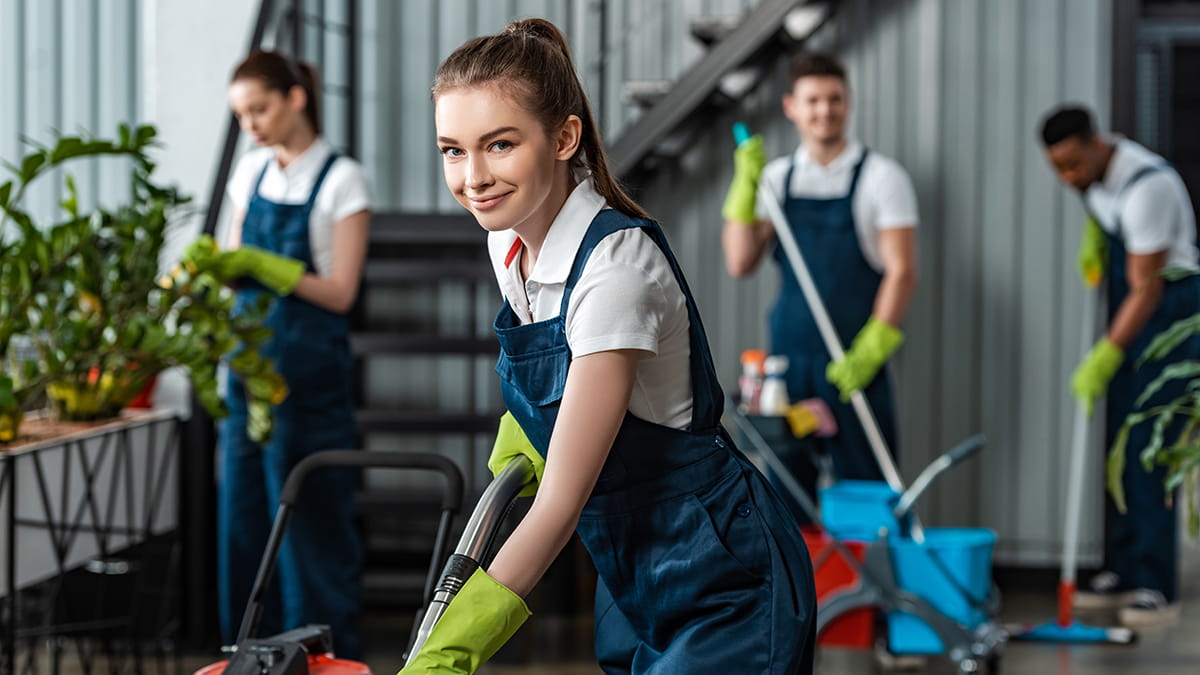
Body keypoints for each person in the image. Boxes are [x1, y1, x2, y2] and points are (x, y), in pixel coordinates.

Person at [402, 18, 816, 675]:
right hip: (630, 570)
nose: (473, 176)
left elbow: (559, 506)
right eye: (453, 150)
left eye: (500, 144)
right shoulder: (508, 239)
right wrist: (530, 427)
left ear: (564, 138)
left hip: (723, 576)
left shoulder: (615, 273)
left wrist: (449, 651)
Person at [185, 50, 372, 657]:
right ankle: (248, 654)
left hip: (309, 378)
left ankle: (320, 655)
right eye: (241, 115)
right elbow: (234, 268)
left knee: (311, 518)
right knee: (245, 516)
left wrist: (269, 266)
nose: (251, 126)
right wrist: (213, 269)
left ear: (295, 98)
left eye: (259, 109)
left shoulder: (343, 180)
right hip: (247, 374)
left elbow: (341, 292)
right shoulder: (250, 174)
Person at [720, 53, 918, 492]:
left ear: (848, 102)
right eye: (813, 100)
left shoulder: (882, 179)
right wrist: (744, 189)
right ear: (792, 107)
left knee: (867, 490)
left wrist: (873, 347)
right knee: (789, 491)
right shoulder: (777, 179)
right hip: (788, 364)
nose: (824, 110)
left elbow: (902, 270)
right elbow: (740, 262)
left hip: (853, 360)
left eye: (834, 99)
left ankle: (866, 546)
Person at [1040, 104, 1198, 627]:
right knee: (1118, 449)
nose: (1067, 177)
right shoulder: (1094, 182)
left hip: (1168, 317)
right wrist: (1096, 241)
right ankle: (1125, 569)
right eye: (1057, 168)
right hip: (1134, 313)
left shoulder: (1146, 187)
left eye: (1073, 164)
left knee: (1151, 449)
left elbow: (1146, 288)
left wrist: (1105, 356)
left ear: (1096, 143)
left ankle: (1156, 584)